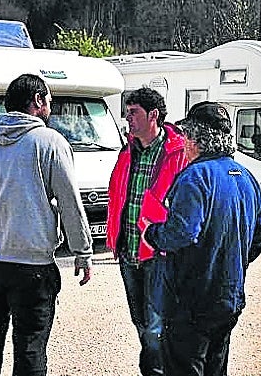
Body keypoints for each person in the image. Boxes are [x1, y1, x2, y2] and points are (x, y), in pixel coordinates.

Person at [0, 73, 93, 376]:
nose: (50, 109)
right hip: (32, 263)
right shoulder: (50, 142)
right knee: (30, 346)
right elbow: (69, 201)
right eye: (50, 102)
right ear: (38, 101)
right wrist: (82, 250)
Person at [140, 101, 261, 376]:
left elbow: (182, 232)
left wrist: (152, 233)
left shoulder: (194, 177)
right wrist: (230, 260)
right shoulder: (246, 177)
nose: (183, 142)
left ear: (197, 139)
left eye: (186, 135)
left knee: (185, 366)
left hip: (191, 300)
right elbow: (259, 237)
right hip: (228, 296)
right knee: (216, 367)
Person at [106, 87, 187, 376]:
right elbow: (116, 194)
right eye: (127, 111)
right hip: (128, 250)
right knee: (140, 321)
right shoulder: (127, 151)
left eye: (133, 112)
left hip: (158, 254)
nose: (127, 117)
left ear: (153, 115)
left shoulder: (177, 153)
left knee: (155, 326)